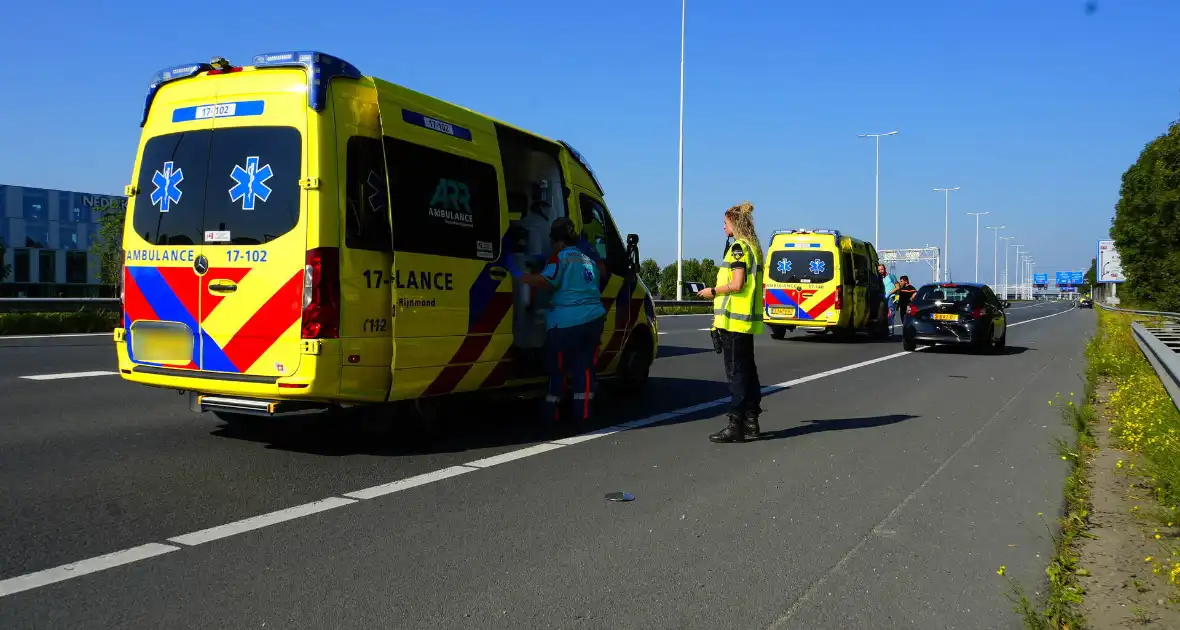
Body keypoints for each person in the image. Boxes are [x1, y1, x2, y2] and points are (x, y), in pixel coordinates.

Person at [513, 217, 607, 422]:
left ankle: (551, 413)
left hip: (565, 324)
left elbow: (547, 280)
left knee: (558, 368)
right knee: (584, 368)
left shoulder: (559, 257)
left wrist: (522, 276)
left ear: (558, 241)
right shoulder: (588, 260)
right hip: (593, 320)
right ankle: (582, 414)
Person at [696, 202, 764, 443]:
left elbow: (737, 284)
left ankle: (735, 424)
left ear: (734, 224)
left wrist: (712, 291)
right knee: (747, 372)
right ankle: (751, 421)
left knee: (736, 375)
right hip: (744, 322)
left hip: (734, 322)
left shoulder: (738, 248)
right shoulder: (753, 248)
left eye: (725, 223)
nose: (723, 227)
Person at [878, 263, 899, 332]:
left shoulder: (891, 276)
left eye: (882, 269)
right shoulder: (880, 278)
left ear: (885, 269)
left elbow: (898, 287)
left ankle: (891, 331)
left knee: (890, 314)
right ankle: (885, 331)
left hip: (891, 297)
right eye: (879, 270)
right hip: (883, 298)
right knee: (883, 314)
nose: (881, 271)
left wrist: (889, 293)